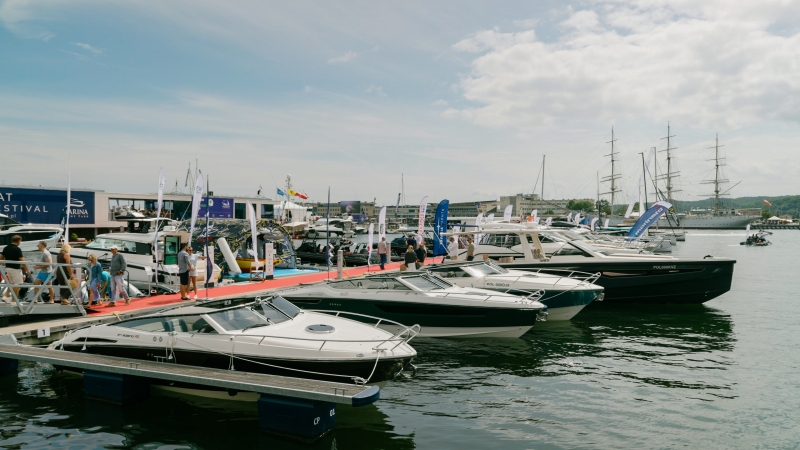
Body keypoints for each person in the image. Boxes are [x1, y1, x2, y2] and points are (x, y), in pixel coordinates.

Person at [0, 235, 28, 301]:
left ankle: (5, 297)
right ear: (18, 241)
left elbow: (1, 258)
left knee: (12, 283)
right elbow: (22, 260)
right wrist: (27, 269)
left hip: (8, 268)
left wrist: (5, 263)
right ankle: (14, 301)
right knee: (18, 284)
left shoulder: (6, 248)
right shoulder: (17, 249)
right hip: (15, 269)